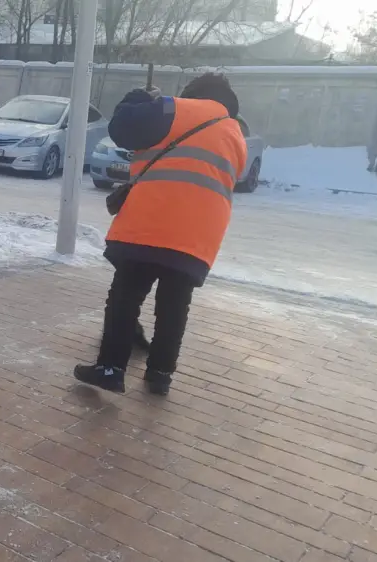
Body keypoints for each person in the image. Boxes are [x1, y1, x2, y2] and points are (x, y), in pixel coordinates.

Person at [74, 73, 247, 395]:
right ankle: (161, 373)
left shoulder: (176, 110)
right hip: (200, 234)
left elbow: (121, 127)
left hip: (152, 221)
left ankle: (110, 368)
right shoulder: (237, 134)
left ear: (192, 95)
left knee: (126, 296)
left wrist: (140, 96)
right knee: (175, 304)